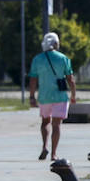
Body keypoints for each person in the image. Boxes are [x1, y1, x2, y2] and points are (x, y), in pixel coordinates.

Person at [27, 31, 77, 161]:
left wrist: (32, 97)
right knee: (56, 125)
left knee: (45, 122)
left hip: (44, 97)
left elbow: (33, 80)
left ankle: (44, 147)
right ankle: (54, 154)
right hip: (60, 97)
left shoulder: (37, 59)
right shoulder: (63, 58)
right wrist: (73, 95)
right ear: (56, 43)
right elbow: (70, 79)